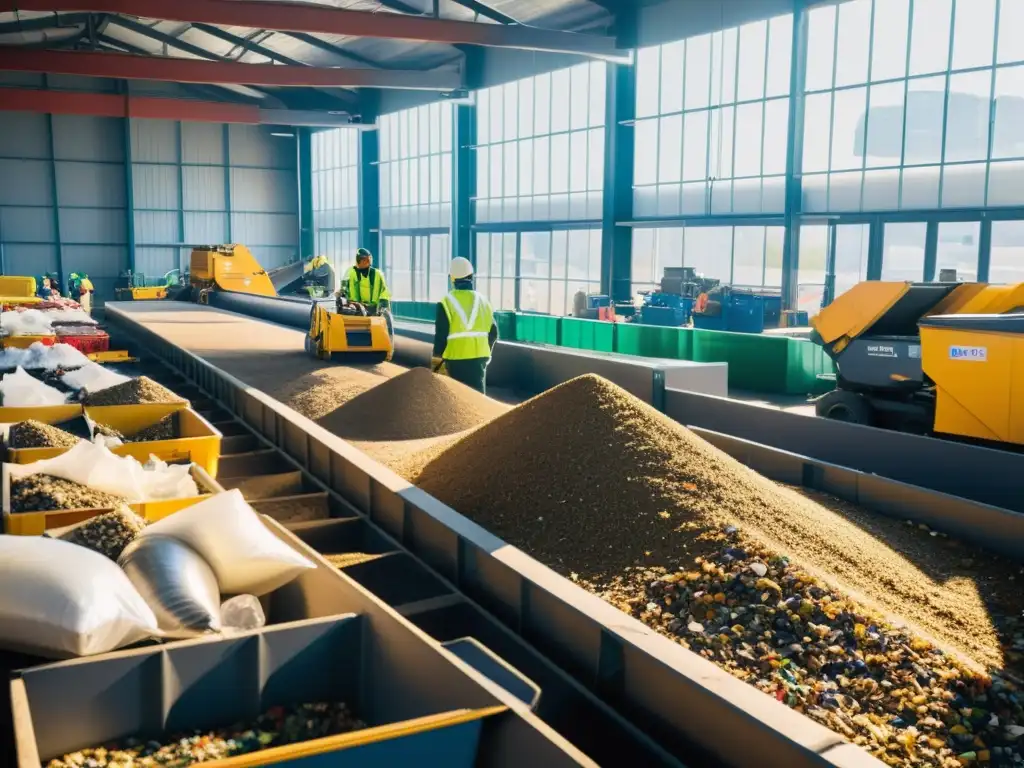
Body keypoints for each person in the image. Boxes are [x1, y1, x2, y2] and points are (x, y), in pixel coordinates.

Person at [431, 257, 498, 394]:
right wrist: (486, 352)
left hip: (455, 361)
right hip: (479, 360)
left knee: (457, 401)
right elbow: (494, 332)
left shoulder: (446, 302)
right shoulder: (483, 301)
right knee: (478, 400)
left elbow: (441, 335)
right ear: (472, 276)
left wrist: (436, 362)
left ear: (452, 279)